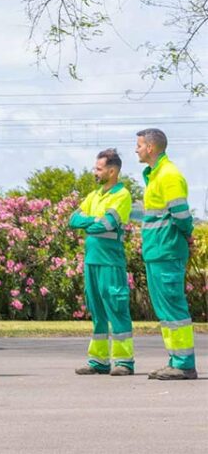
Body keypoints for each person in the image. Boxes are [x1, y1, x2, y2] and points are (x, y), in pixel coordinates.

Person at [135, 128, 198, 380]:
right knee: (165, 310)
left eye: (139, 145)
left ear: (151, 147)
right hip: (158, 251)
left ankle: (183, 363)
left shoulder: (168, 175)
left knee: (173, 307)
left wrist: (187, 234)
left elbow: (181, 214)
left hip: (167, 250)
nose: (136, 149)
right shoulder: (155, 175)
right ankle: (175, 360)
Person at [69, 149, 134, 376]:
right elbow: (72, 219)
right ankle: (99, 361)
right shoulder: (95, 195)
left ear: (112, 170)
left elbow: (105, 224)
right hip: (91, 262)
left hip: (110, 263)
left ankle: (124, 362)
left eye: (99, 168)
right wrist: (93, 220)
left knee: (117, 309)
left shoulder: (122, 195)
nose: (94, 172)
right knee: (97, 312)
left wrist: (91, 221)